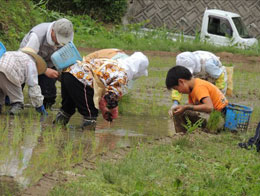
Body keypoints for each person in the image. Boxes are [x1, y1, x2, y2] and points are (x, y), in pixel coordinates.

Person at [53, 49, 149, 129]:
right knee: (90, 114)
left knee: (68, 108)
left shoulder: (112, 62)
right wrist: (111, 113)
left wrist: (105, 107)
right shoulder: (123, 73)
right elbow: (110, 98)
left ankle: (55, 130)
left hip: (68, 73)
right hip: (81, 79)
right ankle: (87, 141)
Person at [19, 18, 74, 109]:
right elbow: (27, 61)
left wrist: (64, 75)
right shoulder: (37, 36)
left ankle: (44, 106)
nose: (59, 42)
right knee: (14, 93)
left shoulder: (67, 37)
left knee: (49, 97)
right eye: (57, 38)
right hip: (26, 61)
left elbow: (66, 59)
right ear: (52, 31)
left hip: (48, 63)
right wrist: (44, 70)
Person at [166, 66, 228, 133]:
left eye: (177, 89)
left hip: (219, 119)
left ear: (181, 82)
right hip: (214, 115)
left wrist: (186, 107)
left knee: (183, 112)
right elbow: (193, 106)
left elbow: (209, 107)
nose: (179, 92)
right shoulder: (192, 89)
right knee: (182, 111)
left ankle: (182, 134)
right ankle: (185, 134)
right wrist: (182, 107)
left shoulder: (199, 87)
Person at [169, 51, 227, 116]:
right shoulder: (191, 84)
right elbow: (177, 85)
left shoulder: (208, 65)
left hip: (216, 76)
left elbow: (220, 76)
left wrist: (217, 93)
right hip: (201, 80)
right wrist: (175, 102)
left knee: (212, 105)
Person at [0, 47, 47, 115]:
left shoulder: (13, 54)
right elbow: (33, 86)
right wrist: (39, 106)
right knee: (17, 101)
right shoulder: (30, 62)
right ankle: (13, 114)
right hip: (7, 70)